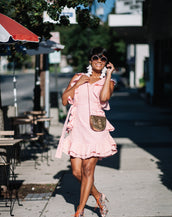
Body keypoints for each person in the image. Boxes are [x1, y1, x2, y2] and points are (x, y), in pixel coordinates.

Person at [55, 47, 117, 217]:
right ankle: (98, 196)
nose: (99, 60)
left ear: (106, 63)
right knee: (76, 172)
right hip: (78, 129)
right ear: (90, 60)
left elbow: (104, 98)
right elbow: (63, 100)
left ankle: (79, 211)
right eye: (96, 57)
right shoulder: (78, 77)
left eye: (103, 59)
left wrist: (109, 74)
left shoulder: (109, 81)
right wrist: (79, 84)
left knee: (88, 170)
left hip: (96, 128)